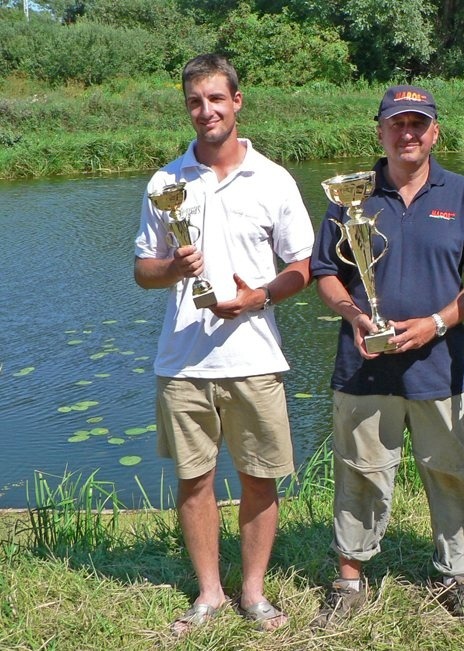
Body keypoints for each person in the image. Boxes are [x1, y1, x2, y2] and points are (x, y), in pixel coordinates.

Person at [133, 53, 314, 636]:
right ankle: (209, 594)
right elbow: (142, 271)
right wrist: (173, 267)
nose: (205, 110)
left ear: (237, 101)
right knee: (195, 479)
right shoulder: (166, 181)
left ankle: (254, 593)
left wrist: (258, 297)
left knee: (261, 479)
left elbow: (302, 267)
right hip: (183, 359)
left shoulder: (275, 178)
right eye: (194, 101)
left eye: (215, 98)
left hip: (255, 356)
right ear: (187, 108)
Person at [310, 85, 464, 625]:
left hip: (440, 364)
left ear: (435, 132)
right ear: (381, 131)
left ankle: (457, 576)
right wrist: (354, 317)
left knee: (449, 470)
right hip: (364, 365)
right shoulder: (350, 194)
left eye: (418, 123)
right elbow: (325, 273)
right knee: (360, 469)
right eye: (397, 123)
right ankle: (349, 579)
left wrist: (438, 322)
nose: (408, 133)